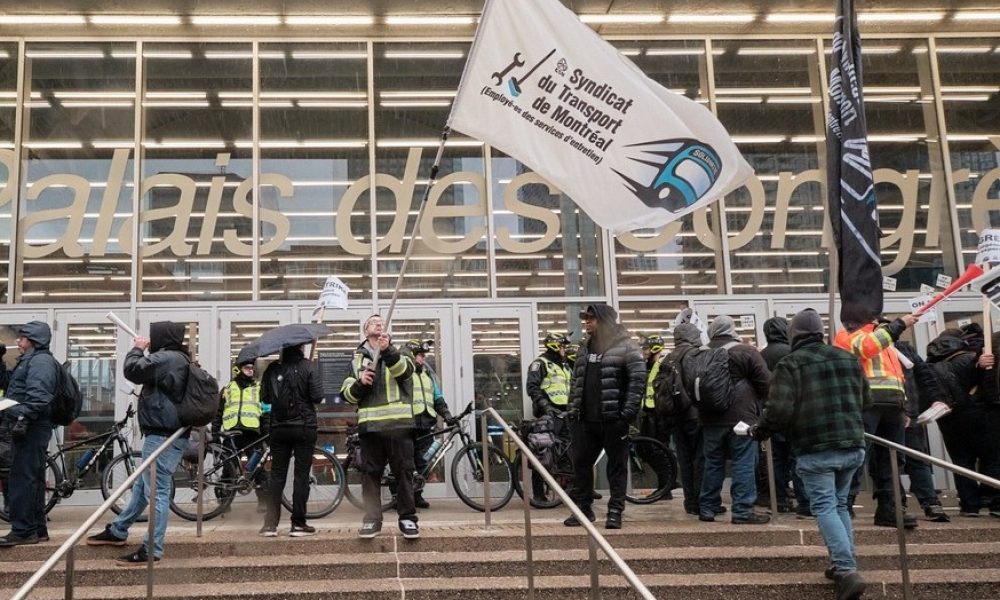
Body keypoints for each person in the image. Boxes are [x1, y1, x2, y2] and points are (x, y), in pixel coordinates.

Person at [750, 309, 870, 600]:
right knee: (840, 505)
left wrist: (760, 431)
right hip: (852, 445)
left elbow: (779, 410)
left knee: (826, 507)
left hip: (815, 447)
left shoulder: (791, 364)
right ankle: (844, 561)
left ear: (795, 335)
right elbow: (865, 399)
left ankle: (845, 568)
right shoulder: (848, 358)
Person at [86, 322, 191, 563]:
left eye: (153, 335)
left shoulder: (168, 358)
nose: (149, 338)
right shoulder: (176, 358)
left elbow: (133, 370)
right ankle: (118, 530)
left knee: (157, 492)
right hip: (165, 434)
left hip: (163, 435)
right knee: (144, 489)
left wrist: (137, 349)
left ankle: (152, 549)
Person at [564, 304, 644, 530]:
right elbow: (576, 382)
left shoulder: (627, 347)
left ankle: (615, 511)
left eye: (591, 319)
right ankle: (583, 510)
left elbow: (637, 383)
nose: (586, 323)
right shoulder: (584, 348)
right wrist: (573, 411)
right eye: (585, 319)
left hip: (613, 420)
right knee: (581, 465)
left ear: (604, 321)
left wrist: (626, 415)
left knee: (616, 467)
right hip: (584, 420)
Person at [835, 314, 919, 529]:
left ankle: (889, 509)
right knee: (857, 456)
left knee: (892, 459)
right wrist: (898, 325)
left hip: (892, 405)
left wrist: (905, 405)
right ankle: (844, 505)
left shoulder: (885, 340)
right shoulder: (848, 335)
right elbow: (865, 349)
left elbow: (898, 376)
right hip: (866, 403)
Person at [341, 314, 418, 539]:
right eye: (373, 321)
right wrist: (360, 383)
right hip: (371, 427)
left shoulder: (400, 352)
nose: (378, 323)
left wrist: (387, 351)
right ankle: (372, 520)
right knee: (370, 474)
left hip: (399, 425)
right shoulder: (357, 361)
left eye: (381, 321)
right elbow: (347, 395)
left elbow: (405, 372)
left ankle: (408, 518)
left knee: (403, 472)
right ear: (366, 332)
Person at [698, 316, 771, 525]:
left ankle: (708, 507)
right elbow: (766, 382)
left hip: (709, 417)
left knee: (712, 461)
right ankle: (742, 510)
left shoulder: (700, 353)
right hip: (742, 417)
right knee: (743, 461)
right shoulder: (744, 351)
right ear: (731, 330)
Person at [926, 329, 999, 518]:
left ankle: (969, 506)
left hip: (948, 418)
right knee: (991, 458)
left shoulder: (930, 365)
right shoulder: (971, 359)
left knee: (961, 462)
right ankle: (994, 501)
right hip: (978, 415)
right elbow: (988, 384)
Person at [0, 322, 58, 547]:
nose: (18, 341)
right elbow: (14, 388)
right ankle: (36, 529)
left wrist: (16, 413)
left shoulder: (41, 362)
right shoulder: (31, 361)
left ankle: (24, 530)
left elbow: (38, 399)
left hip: (31, 428)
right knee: (30, 478)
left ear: (33, 340)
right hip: (28, 426)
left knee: (23, 479)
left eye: (22, 338)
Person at [258, 342, 323, 537]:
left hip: (279, 427)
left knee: (277, 475)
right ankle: (298, 523)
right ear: (301, 348)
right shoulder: (308, 366)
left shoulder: (272, 369)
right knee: (301, 476)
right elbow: (318, 397)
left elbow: (266, 398)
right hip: (304, 427)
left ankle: (270, 525)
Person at [758, 316, 808, 516]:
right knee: (797, 457)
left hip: (772, 412)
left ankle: (779, 499)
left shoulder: (761, 355)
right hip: (795, 413)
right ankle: (803, 499)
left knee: (776, 459)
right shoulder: (793, 353)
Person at [895, 340, 949, 522]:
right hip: (887, 413)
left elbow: (924, 374)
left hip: (907, 413)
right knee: (890, 462)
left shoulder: (903, 348)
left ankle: (929, 502)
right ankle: (899, 503)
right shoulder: (869, 346)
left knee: (915, 458)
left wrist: (937, 398)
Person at [404, 339, 456, 509]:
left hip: (426, 423)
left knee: (422, 464)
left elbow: (437, 398)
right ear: (411, 355)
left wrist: (447, 415)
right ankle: (401, 497)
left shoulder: (427, 375)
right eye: (420, 355)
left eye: (424, 356)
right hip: (408, 424)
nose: (423, 359)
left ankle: (417, 495)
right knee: (406, 462)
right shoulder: (404, 374)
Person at [660, 323, 704, 516]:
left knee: (684, 460)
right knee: (700, 459)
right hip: (695, 414)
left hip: (676, 416)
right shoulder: (696, 355)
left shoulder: (668, 358)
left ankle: (690, 501)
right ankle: (703, 499)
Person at [213, 357, 268, 513]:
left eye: (252, 368)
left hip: (252, 433)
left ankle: (263, 501)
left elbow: (264, 411)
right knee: (228, 469)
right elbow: (218, 412)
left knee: (258, 469)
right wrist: (216, 433)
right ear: (238, 370)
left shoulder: (259, 388)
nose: (251, 370)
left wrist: (266, 431)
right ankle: (225, 502)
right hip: (231, 434)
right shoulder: (228, 389)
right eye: (247, 368)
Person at [526, 331, 573, 501]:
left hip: (566, 413)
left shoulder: (565, 365)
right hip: (549, 414)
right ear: (554, 345)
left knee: (569, 453)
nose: (564, 349)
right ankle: (539, 494)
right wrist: (545, 406)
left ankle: (571, 492)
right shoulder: (540, 364)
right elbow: (532, 387)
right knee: (543, 453)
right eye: (562, 346)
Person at [636, 333, 675, 497]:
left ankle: (666, 486)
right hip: (647, 414)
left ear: (654, 348)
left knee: (659, 450)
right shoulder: (647, 366)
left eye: (645, 348)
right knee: (643, 450)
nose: (643, 351)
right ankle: (668, 482)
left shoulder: (663, 366)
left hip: (659, 416)